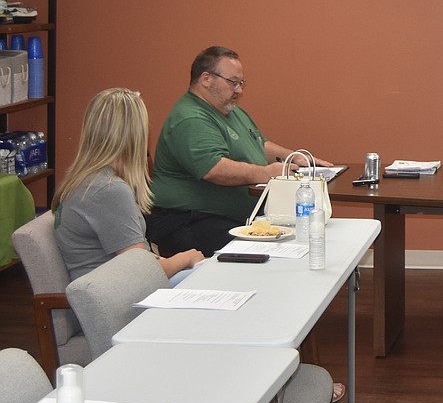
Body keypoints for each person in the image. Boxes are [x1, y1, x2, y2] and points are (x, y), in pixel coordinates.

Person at [146, 46, 332, 257]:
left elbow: (259, 143)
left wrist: (293, 157)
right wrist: (268, 173)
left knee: (303, 230)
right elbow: (214, 169)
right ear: (206, 79)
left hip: (229, 216)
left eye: (241, 83)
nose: (239, 90)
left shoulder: (229, 110)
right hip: (191, 220)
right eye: (233, 82)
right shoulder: (191, 118)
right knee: (272, 250)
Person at [52, 88, 204, 285]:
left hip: (111, 288)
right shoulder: (108, 189)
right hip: (119, 298)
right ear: (134, 135)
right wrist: (186, 258)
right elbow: (140, 271)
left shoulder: (86, 180)